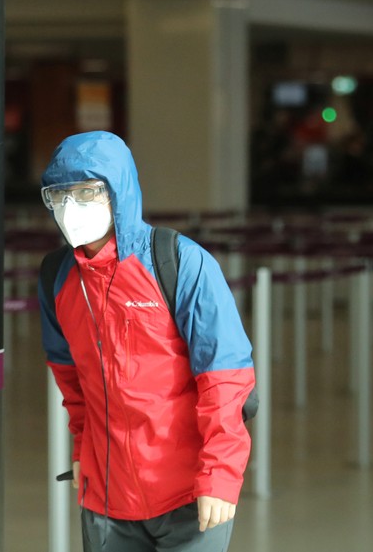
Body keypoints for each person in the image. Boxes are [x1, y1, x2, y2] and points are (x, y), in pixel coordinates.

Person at [38, 131, 256, 552]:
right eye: (59, 195)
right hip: (106, 497)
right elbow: (73, 384)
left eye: (87, 191)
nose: (71, 206)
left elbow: (225, 380)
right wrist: (83, 449)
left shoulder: (178, 262)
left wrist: (220, 475)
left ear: (118, 189)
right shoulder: (58, 278)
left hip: (188, 495)